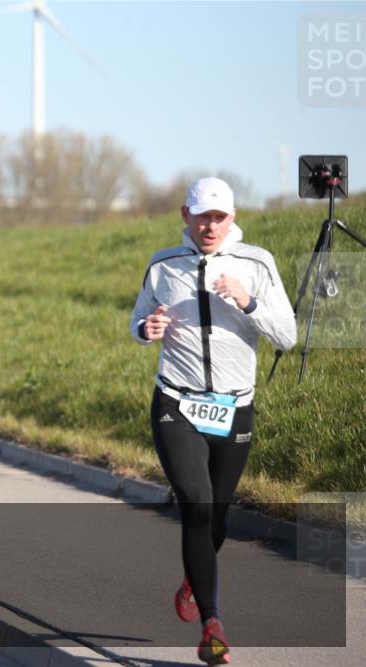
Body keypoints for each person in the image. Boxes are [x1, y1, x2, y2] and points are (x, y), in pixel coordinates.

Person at [130, 177, 296, 666]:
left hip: (234, 408)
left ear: (232, 217)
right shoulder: (164, 264)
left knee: (216, 517)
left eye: (219, 217)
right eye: (202, 216)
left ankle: (194, 576)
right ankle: (212, 625)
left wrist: (249, 302)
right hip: (176, 404)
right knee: (198, 505)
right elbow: (138, 320)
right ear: (186, 215)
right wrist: (147, 329)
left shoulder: (257, 263)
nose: (210, 226)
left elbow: (286, 335)